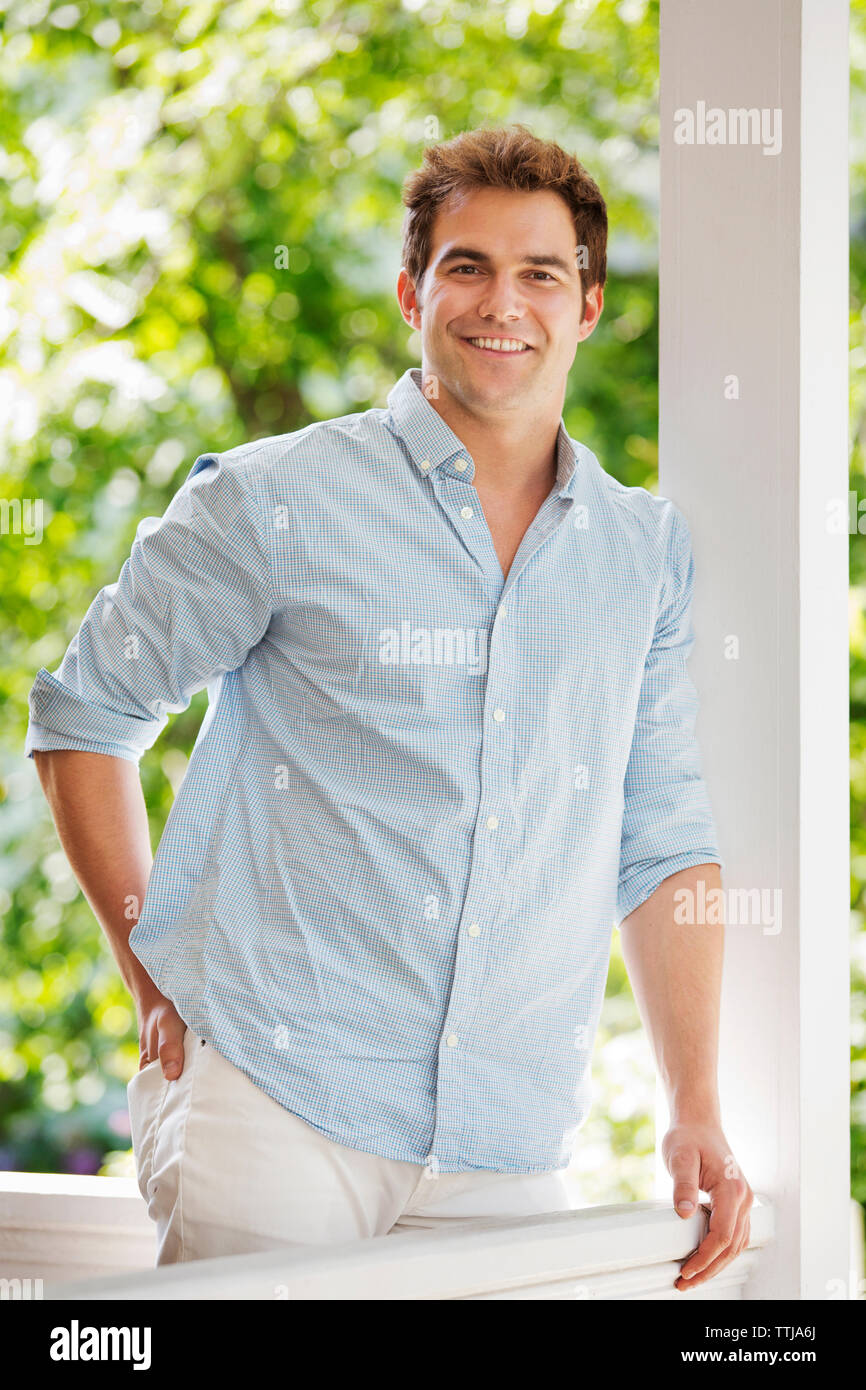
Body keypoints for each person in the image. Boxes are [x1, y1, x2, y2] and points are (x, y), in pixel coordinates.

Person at [25, 124, 752, 1290]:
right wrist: (146, 966)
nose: (499, 302)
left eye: (538, 272)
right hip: (273, 1105)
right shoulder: (274, 500)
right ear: (413, 290)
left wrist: (697, 1104)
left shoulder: (640, 552)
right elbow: (83, 717)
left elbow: (661, 843)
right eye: (465, 266)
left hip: (507, 1142)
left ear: (588, 304)